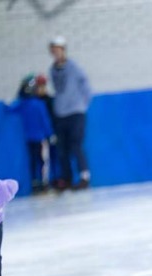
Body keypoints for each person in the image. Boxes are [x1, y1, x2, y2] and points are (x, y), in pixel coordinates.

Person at [49, 35, 92, 190]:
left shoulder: (73, 67)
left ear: (63, 50)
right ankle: (66, 178)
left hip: (75, 112)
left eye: (58, 50)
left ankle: (84, 177)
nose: (55, 53)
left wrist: (83, 104)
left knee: (76, 145)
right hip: (61, 114)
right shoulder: (53, 69)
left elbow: (85, 85)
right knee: (62, 149)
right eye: (53, 50)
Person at [7, 74, 54, 193]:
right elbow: (45, 120)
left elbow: (9, 109)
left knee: (34, 160)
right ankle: (43, 182)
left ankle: (35, 182)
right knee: (42, 160)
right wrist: (50, 134)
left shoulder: (23, 103)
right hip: (40, 138)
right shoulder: (38, 104)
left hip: (30, 138)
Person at [33, 74, 61, 188]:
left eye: (43, 86)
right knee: (42, 158)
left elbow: (54, 117)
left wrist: (53, 132)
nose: (41, 89)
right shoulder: (34, 102)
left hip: (50, 133)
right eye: (39, 86)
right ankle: (44, 181)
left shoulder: (50, 100)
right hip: (40, 135)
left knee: (54, 157)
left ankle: (57, 179)